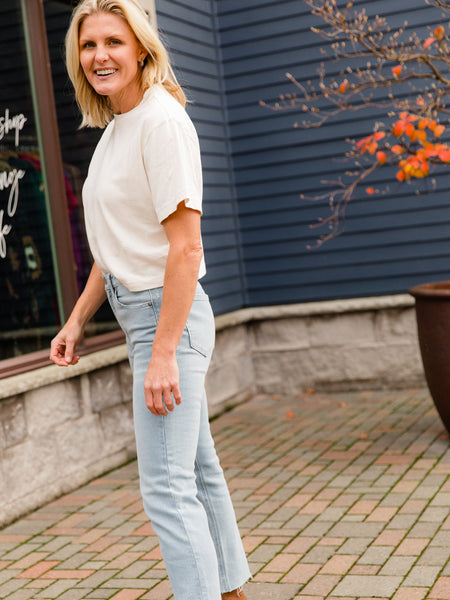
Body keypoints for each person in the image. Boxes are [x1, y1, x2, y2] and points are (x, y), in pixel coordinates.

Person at [49, 1, 251, 598]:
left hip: (170, 318)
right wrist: (77, 320)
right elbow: (117, 247)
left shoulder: (162, 121)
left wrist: (163, 353)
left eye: (113, 42)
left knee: (165, 486)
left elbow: (185, 250)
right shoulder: (117, 128)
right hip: (143, 312)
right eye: (88, 46)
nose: (99, 56)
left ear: (141, 49)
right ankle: (231, 589)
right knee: (196, 471)